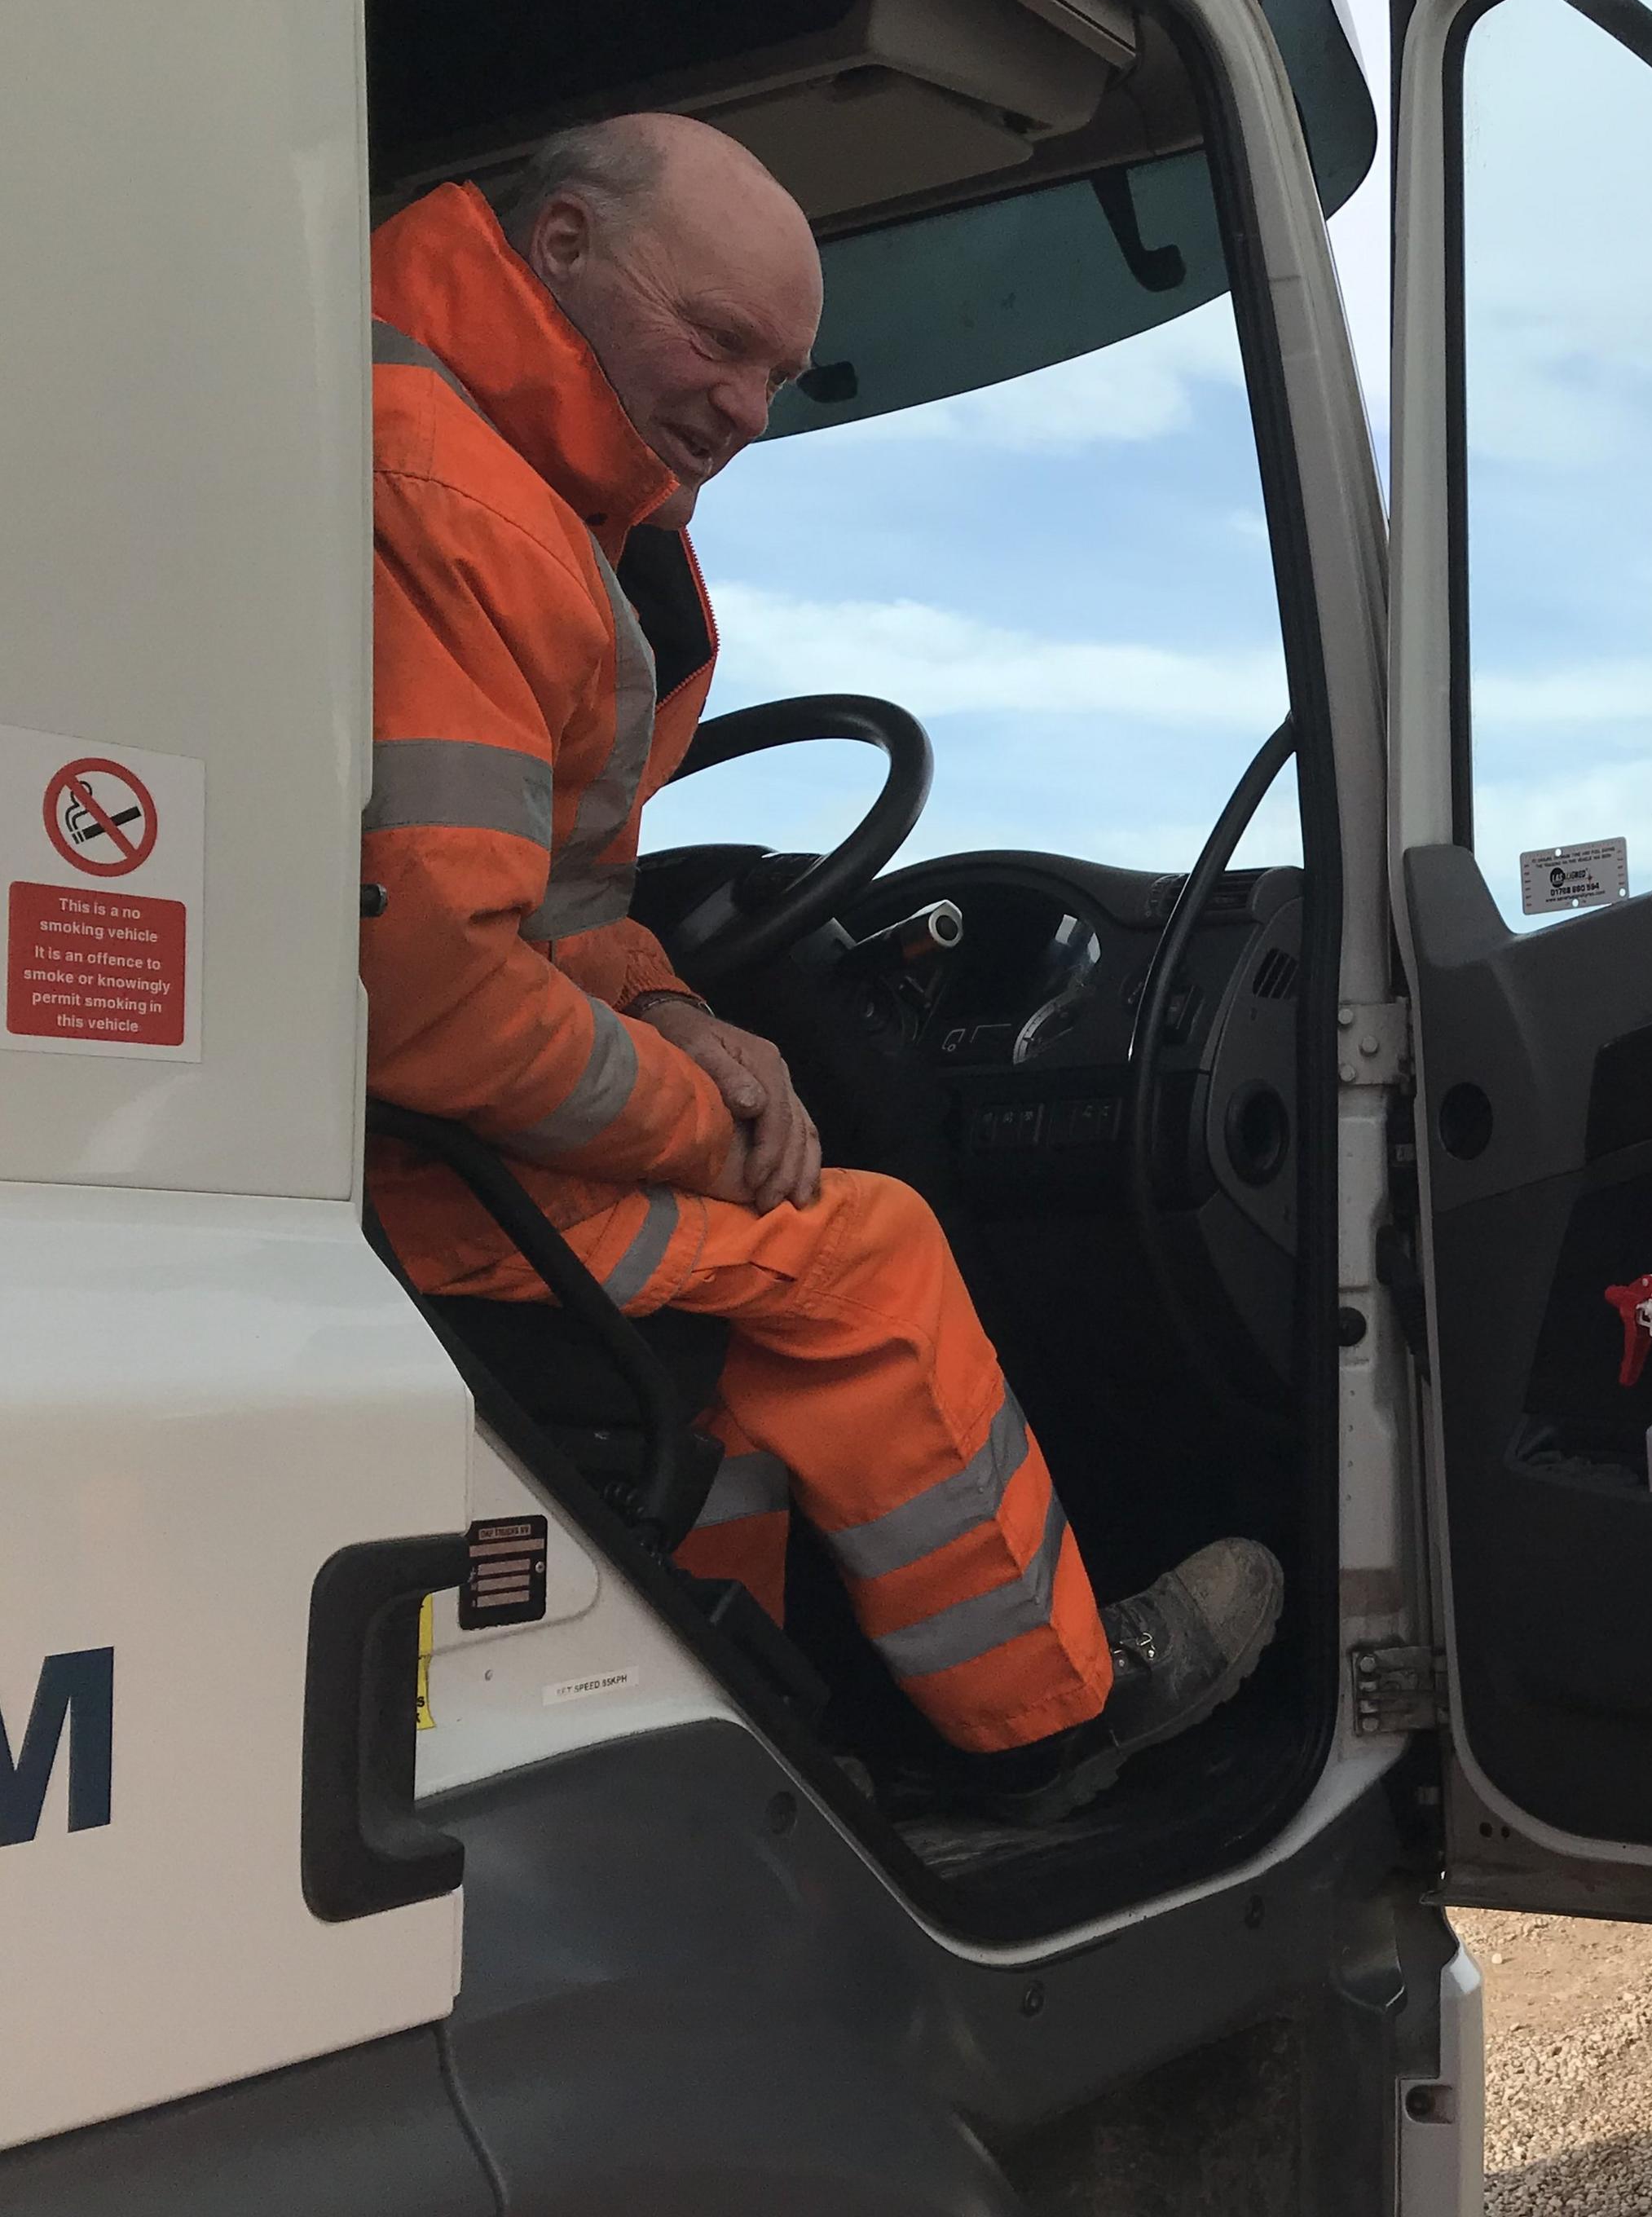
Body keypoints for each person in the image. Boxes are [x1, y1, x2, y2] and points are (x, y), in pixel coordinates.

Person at [363, 112, 1279, 1818]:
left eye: (777, 371)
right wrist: (704, 1128)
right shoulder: (440, 490)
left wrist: (682, 1011)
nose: (746, 409)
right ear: (559, 246)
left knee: (762, 1330)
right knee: (860, 1249)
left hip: (411, 1144)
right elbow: (429, 995)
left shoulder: (522, 490)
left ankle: (734, 1720)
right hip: (411, 1178)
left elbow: (546, 914)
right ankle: (1058, 1720)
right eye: (716, 342)